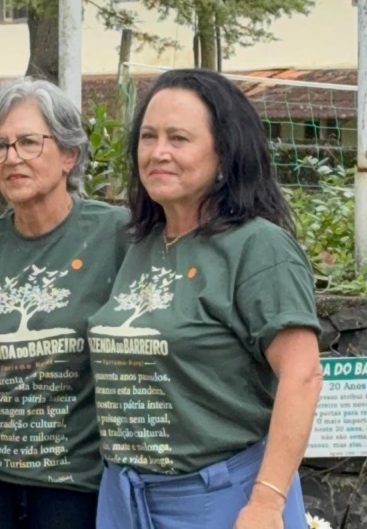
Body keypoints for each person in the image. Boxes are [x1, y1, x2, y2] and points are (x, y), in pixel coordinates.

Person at [88, 68, 322, 529]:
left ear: (225, 152)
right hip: (124, 500)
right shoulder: (136, 245)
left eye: (179, 138)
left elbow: (303, 375)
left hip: (222, 501)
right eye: (149, 137)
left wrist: (266, 502)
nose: (158, 152)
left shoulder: (258, 247)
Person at [0, 78, 129, 529]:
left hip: (75, 482)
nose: (11, 157)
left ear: (69, 154)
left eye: (28, 142)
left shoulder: (116, 236)